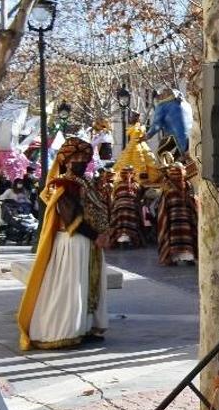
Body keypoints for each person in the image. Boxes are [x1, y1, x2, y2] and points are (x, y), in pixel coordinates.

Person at [17, 137, 110, 350]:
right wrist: (96, 236)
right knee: (72, 287)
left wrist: (103, 233)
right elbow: (71, 218)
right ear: (66, 162)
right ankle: (65, 331)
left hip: (88, 243)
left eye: (84, 159)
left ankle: (84, 328)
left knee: (87, 287)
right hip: (74, 242)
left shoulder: (85, 182)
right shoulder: (63, 185)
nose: (82, 162)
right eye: (77, 159)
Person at [156, 161, 199, 266]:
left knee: (182, 236)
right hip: (177, 217)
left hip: (178, 217)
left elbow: (163, 203)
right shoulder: (173, 185)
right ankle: (179, 258)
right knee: (181, 236)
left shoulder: (175, 185)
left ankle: (186, 257)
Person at [109, 165, 145, 248]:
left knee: (115, 216)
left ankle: (117, 237)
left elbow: (114, 196)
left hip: (118, 207)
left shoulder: (117, 185)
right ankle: (133, 236)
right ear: (134, 174)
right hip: (132, 206)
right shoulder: (137, 185)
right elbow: (138, 198)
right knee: (137, 215)